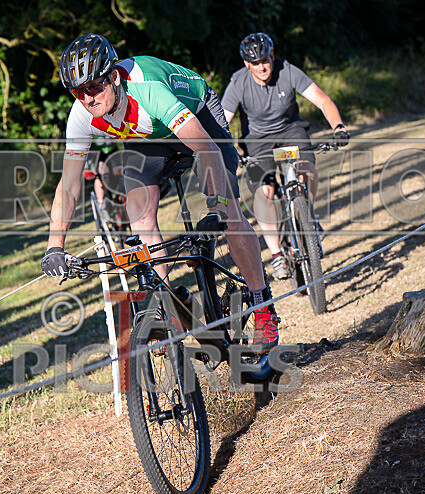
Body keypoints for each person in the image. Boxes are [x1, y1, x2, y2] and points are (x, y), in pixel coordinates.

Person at [41, 33, 280, 351]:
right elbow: (68, 184)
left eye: (95, 86)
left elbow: (206, 148)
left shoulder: (148, 88)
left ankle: (263, 305)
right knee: (138, 213)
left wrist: (218, 206)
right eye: (78, 91)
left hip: (198, 117)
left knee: (229, 211)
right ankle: (171, 314)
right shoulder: (81, 114)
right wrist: (55, 245)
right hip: (149, 134)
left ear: (113, 76)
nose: (88, 98)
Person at [221, 32, 350, 280]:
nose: (262, 67)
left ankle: (306, 215)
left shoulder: (288, 71)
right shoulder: (238, 83)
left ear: (272, 55)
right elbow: (224, 121)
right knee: (265, 191)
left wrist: (339, 127)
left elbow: (323, 100)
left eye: (265, 60)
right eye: (255, 63)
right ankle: (277, 254)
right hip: (257, 141)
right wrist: (228, 149)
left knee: (306, 170)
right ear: (247, 64)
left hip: (291, 131)